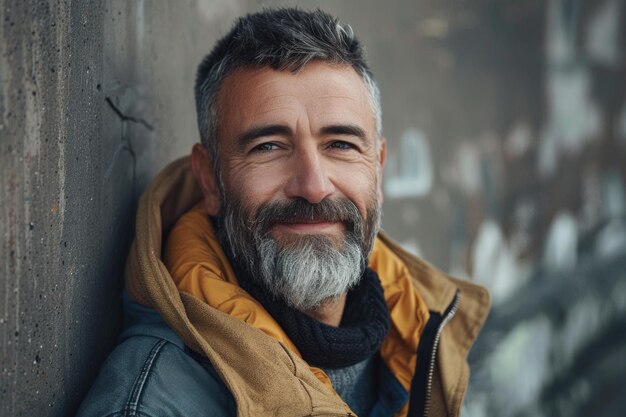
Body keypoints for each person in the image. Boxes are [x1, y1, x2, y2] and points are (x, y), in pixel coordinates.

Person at [77, 8, 490, 417]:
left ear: (378, 172)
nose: (313, 186)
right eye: (268, 147)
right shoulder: (150, 407)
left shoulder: (423, 335)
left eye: (341, 144)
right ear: (209, 180)